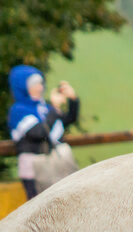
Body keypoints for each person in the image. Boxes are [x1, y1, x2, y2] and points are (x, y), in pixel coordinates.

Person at [7, 65, 80, 200]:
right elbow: (38, 133)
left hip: (54, 165)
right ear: (22, 87)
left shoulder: (45, 107)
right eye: (34, 84)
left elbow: (68, 120)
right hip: (33, 170)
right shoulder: (18, 110)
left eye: (40, 83)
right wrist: (55, 107)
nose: (40, 88)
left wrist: (73, 99)